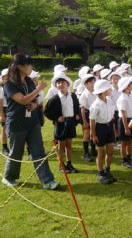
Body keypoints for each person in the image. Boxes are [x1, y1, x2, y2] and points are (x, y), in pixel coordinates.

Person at [2, 54, 59, 190]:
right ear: (20, 66)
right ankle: (9, 177)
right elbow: (22, 100)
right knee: (16, 152)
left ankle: (47, 180)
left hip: (32, 121)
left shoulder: (28, 81)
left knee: (38, 151)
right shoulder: (9, 83)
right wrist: (39, 89)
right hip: (17, 122)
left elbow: (34, 99)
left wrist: (34, 104)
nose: (30, 67)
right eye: (28, 64)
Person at [44, 73, 80, 173]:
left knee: (69, 144)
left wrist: (77, 115)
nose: (60, 85)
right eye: (58, 83)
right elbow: (46, 112)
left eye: (63, 82)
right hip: (61, 124)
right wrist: (56, 118)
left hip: (71, 122)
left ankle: (69, 164)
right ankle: (61, 165)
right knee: (61, 145)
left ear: (68, 84)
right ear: (56, 85)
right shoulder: (55, 99)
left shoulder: (72, 96)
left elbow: (76, 106)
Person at [90, 79, 117, 185]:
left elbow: (112, 116)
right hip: (99, 128)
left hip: (109, 127)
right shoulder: (95, 105)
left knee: (110, 151)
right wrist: (94, 134)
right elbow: (92, 121)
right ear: (103, 91)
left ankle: (107, 170)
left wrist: (113, 129)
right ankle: (100, 173)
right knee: (101, 152)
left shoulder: (109, 100)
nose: (110, 90)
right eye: (108, 88)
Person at [116, 77, 132, 169]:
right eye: (131, 84)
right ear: (126, 87)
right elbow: (123, 114)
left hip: (131, 119)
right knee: (124, 142)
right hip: (124, 121)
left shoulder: (130, 96)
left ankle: (129, 158)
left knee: (130, 141)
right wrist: (126, 128)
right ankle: (124, 160)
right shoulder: (122, 98)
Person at [79, 74, 97, 162]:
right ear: (86, 84)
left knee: (93, 132)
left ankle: (93, 150)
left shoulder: (95, 92)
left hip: (94, 114)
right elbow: (82, 109)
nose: (93, 83)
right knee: (86, 134)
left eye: (94, 82)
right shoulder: (84, 95)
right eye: (91, 82)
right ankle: (86, 153)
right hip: (86, 114)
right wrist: (85, 122)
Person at [0, 69, 10, 156]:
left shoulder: (13, 86)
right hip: (4, 109)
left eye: (8, 76)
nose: (7, 78)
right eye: (5, 76)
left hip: (13, 108)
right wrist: (2, 115)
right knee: (4, 129)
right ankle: (5, 147)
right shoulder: (1, 89)